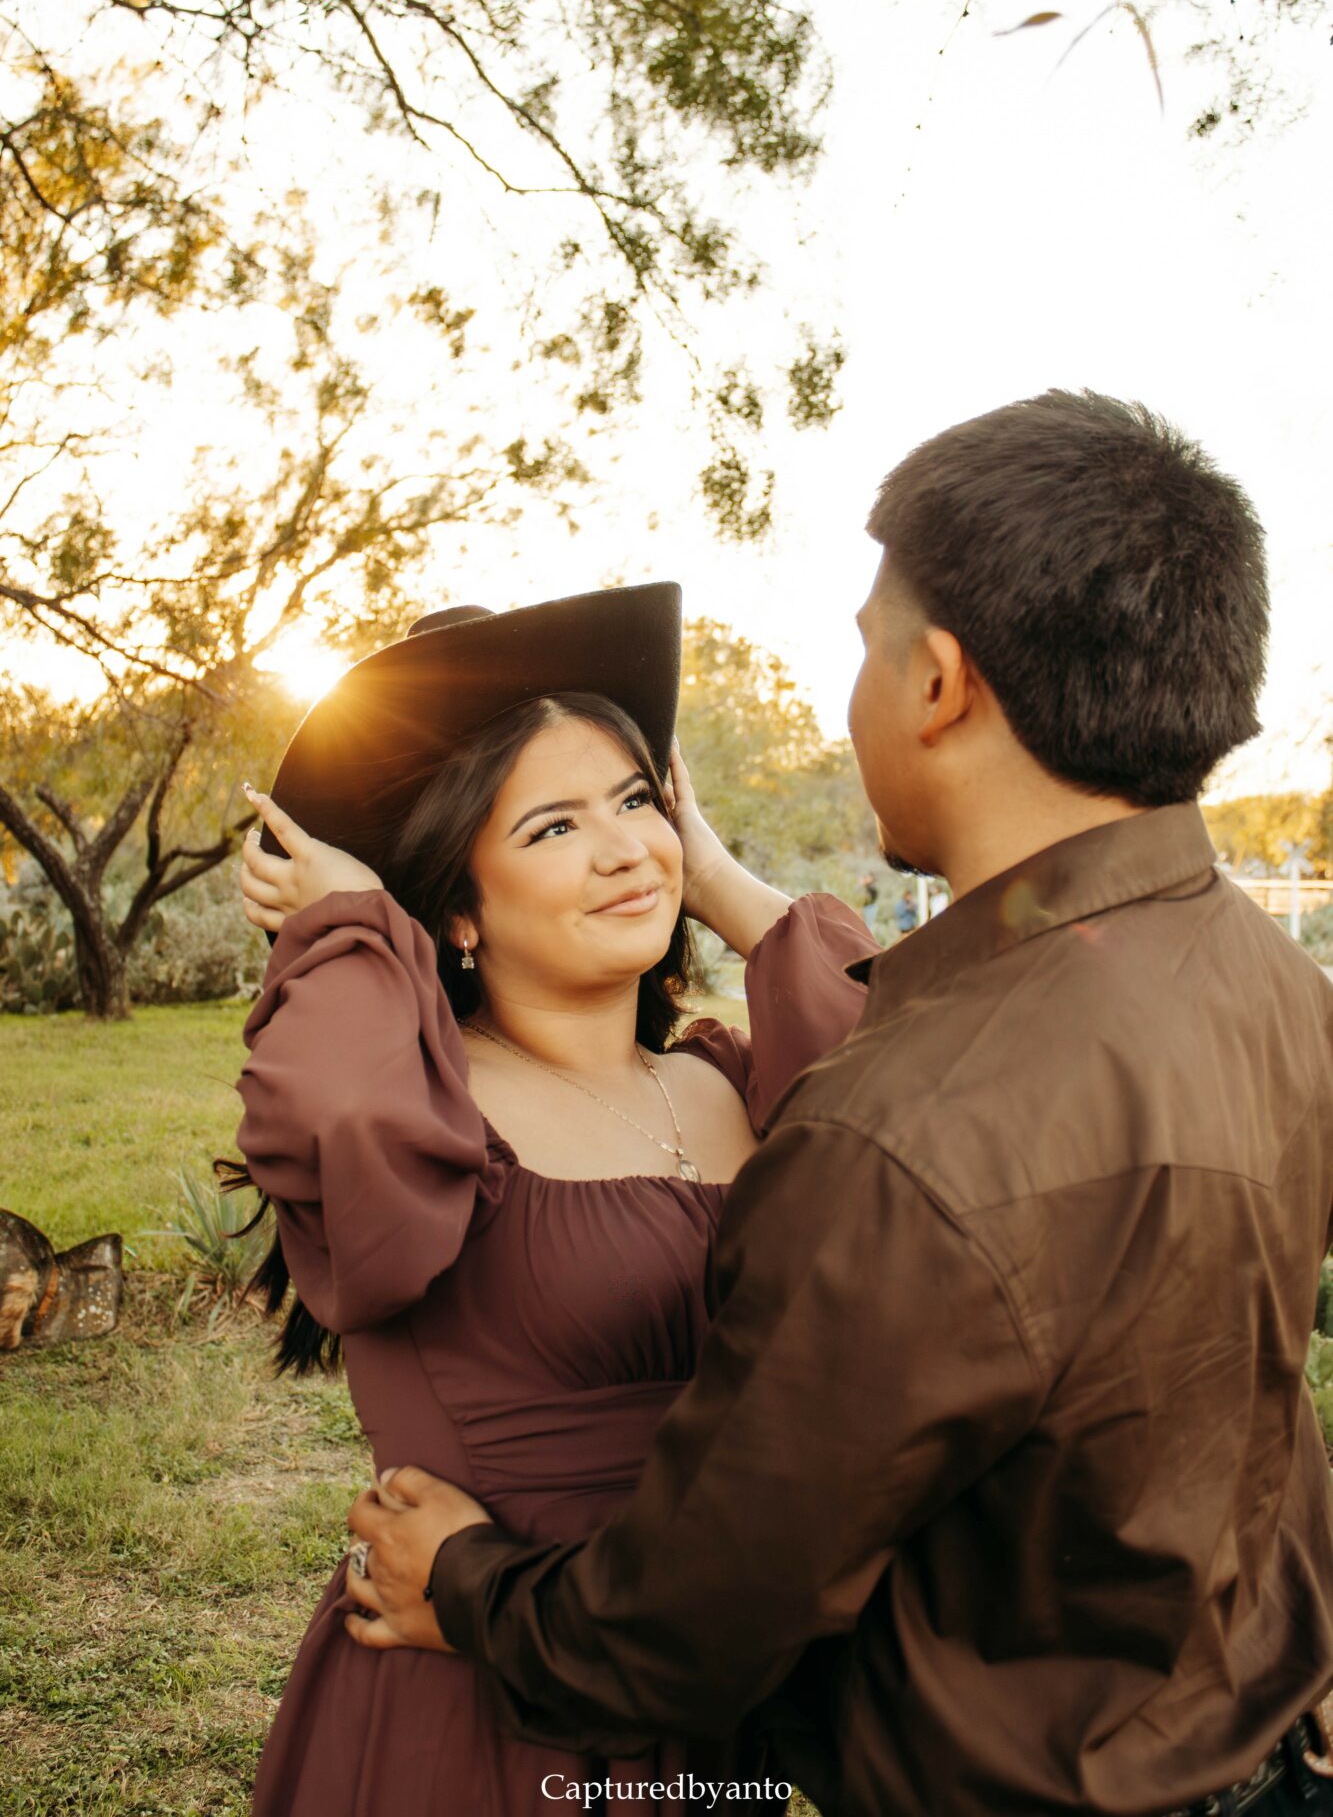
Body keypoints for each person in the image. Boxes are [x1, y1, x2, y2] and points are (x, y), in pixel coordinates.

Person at [342, 392, 1333, 1817]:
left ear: (936, 683)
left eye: (865, 651)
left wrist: (471, 1582)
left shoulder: (898, 1139)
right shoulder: (1270, 986)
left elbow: (682, 1631)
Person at [227, 583, 876, 1815]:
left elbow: (916, 1087)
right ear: (457, 909)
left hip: (705, 1688)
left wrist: (724, 879)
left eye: (639, 801)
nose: (625, 846)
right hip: (477, 1704)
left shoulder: (726, 1077)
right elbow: (346, 1111)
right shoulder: (427, 1118)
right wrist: (354, 927)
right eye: (554, 826)